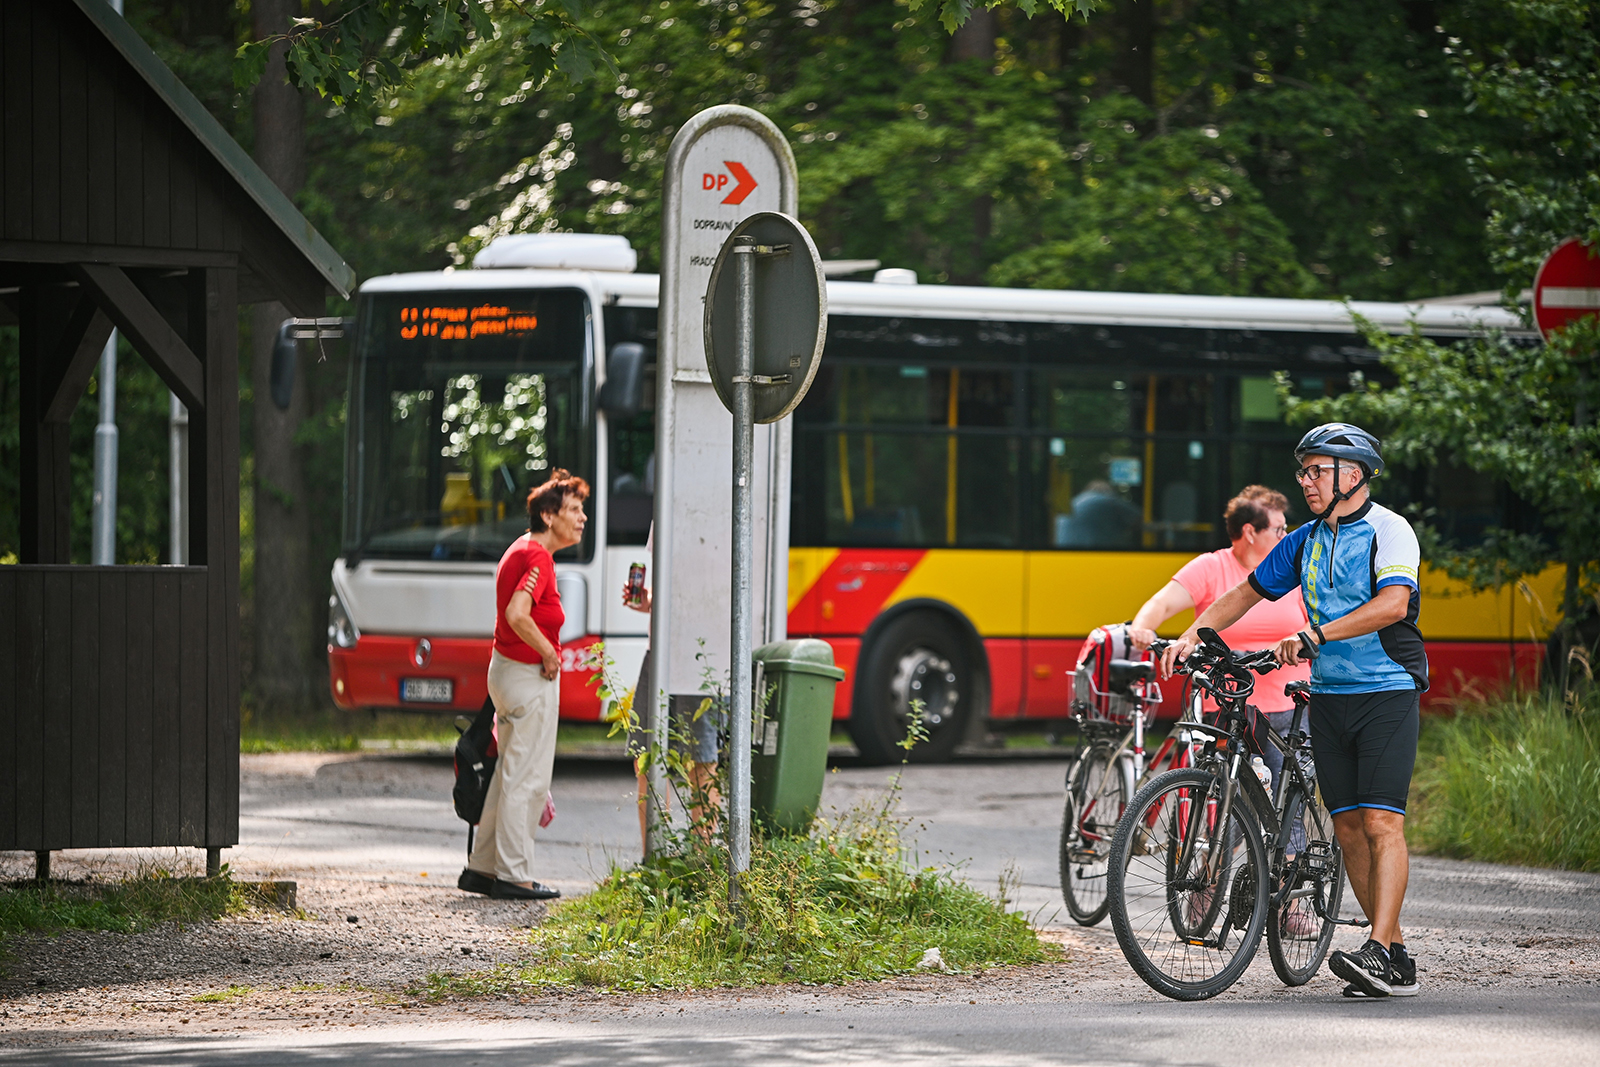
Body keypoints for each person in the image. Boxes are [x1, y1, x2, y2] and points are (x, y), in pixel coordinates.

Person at [1160, 424, 1425, 998]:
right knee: (1348, 827)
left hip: (1385, 692)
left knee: (1383, 823)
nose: (1305, 481)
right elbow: (1248, 591)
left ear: (1353, 475)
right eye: (1302, 471)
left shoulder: (1390, 530)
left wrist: (1315, 635)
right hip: (1328, 697)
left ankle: (1378, 949)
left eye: (1317, 470)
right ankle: (1393, 953)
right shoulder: (1304, 540)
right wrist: (1193, 633)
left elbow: (1394, 603)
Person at [458, 469, 589, 901]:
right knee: (526, 778)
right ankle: (514, 875)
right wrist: (549, 653)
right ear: (549, 516)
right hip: (527, 677)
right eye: (574, 509)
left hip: (507, 673)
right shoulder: (537, 557)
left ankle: (482, 868)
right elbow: (518, 613)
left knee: (505, 777)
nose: (582, 517)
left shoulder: (523, 549)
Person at [1128, 485, 1311, 794]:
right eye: (1279, 530)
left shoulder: (1294, 572)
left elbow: (1317, 620)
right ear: (1251, 532)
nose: (1286, 538)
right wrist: (1143, 629)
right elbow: (1162, 603)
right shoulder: (1211, 567)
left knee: (1286, 812)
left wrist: (1302, 640)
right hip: (1228, 707)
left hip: (1288, 705)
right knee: (1229, 806)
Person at [623, 524, 722, 855]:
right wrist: (648, 601)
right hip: (660, 652)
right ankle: (654, 857)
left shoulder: (719, 509)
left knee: (701, 759)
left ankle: (702, 858)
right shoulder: (665, 503)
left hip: (700, 653)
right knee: (647, 756)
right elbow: (672, 587)